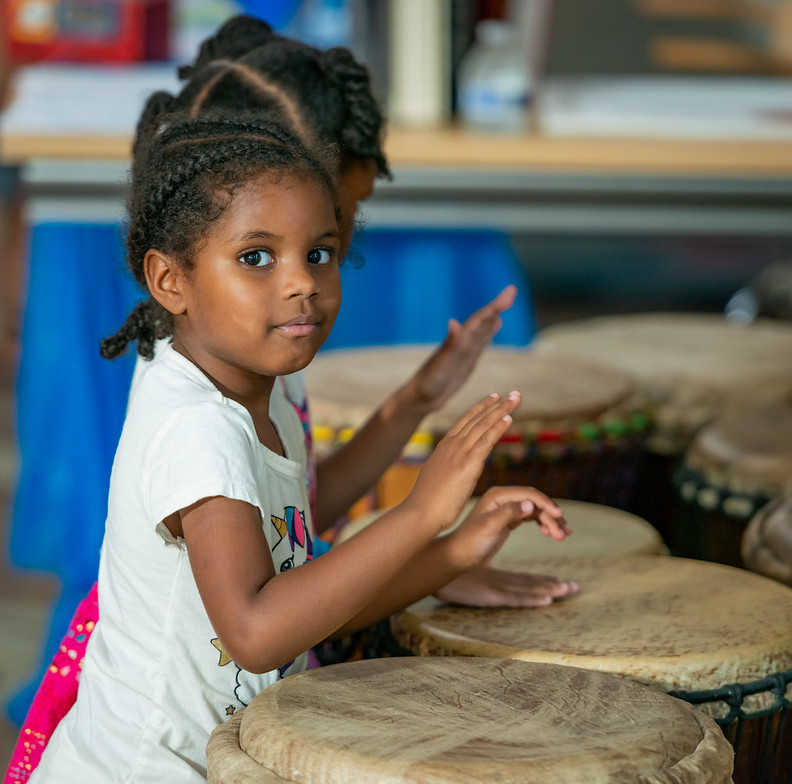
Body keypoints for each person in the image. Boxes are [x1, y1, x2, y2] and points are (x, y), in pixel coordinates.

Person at [26, 111, 569, 782]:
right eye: (256, 257)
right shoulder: (198, 429)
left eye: (319, 253)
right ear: (171, 281)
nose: (301, 282)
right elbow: (258, 633)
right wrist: (421, 514)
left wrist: (446, 548)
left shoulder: (262, 383)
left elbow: (300, 559)